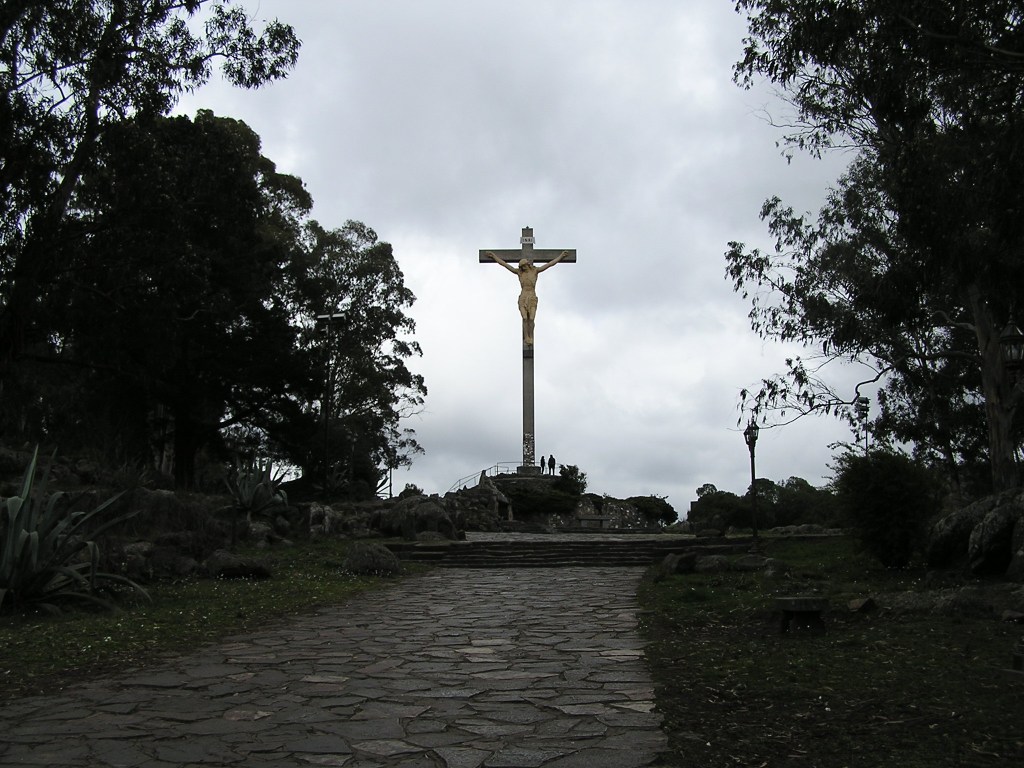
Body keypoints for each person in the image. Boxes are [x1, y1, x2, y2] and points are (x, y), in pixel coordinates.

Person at [485, 250, 569, 345]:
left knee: (531, 318)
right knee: (525, 318)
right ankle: (527, 337)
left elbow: (550, 264)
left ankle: (531, 336)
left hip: (532, 297)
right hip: (523, 297)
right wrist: (494, 256)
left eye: (524, 266)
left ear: (527, 264)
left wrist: (561, 256)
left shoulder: (535, 271)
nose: (523, 268)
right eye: (522, 267)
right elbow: (505, 264)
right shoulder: (519, 273)